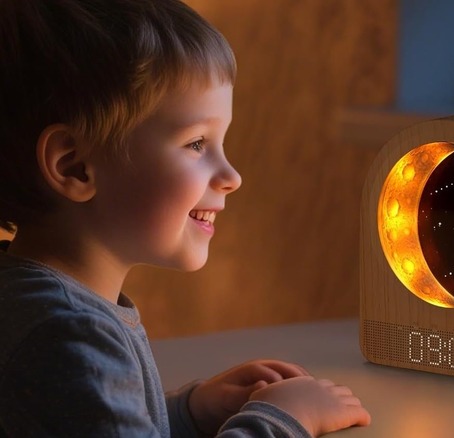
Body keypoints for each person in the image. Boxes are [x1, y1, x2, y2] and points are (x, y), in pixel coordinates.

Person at [0, 0, 371, 436]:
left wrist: (187, 411)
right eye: (196, 144)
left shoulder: (33, 300)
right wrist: (281, 420)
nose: (231, 176)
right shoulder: (66, 334)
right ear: (75, 166)